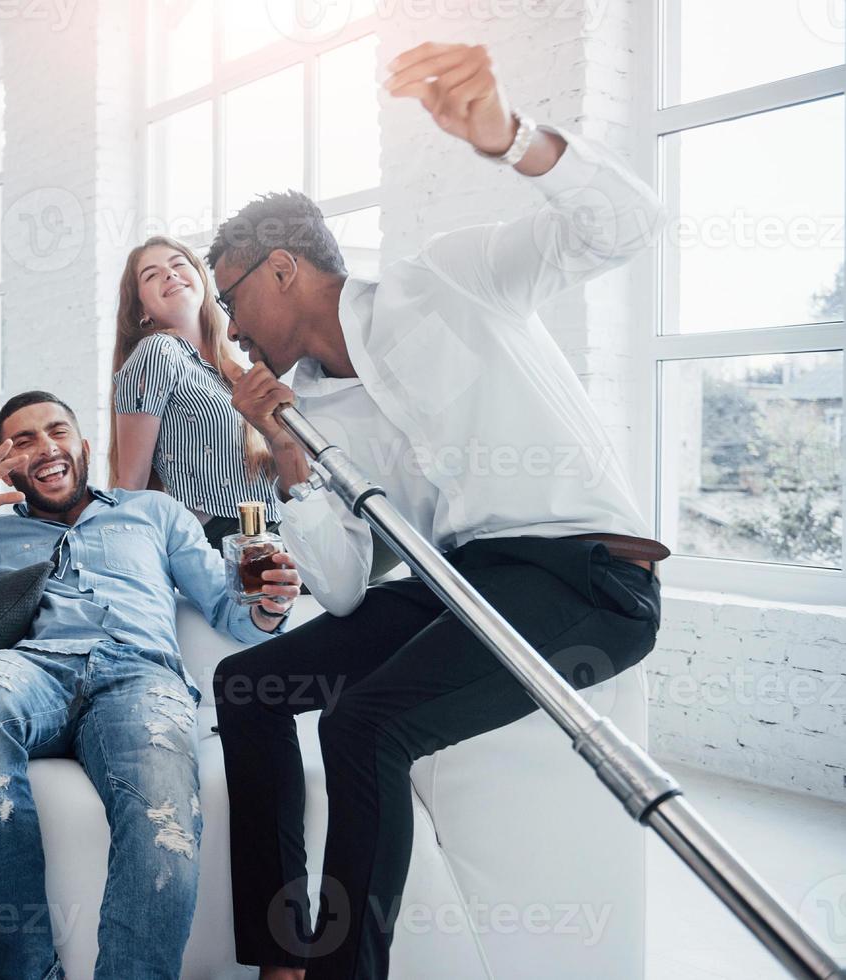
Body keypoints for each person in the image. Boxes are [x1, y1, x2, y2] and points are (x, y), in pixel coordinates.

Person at [209, 42, 669, 979]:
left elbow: (625, 225)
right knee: (244, 687)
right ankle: (280, 955)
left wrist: (507, 139)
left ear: (284, 269)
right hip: (459, 582)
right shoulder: (312, 407)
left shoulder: (442, 279)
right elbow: (338, 591)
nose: (227, 325)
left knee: (365, 726)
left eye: (230, 295)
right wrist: (288, 447)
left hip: (585, 574)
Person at [0, 391, 302, 979]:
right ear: (5, 462)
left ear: (84, 448)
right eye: (24, 441)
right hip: (34, 670)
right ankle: (25, 972)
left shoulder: (154, 513)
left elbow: (233, 612)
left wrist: (268, 605)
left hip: (140, 676)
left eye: (57, 432)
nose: (45, 448)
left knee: (163, 812)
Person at [109, 236, 282, 550]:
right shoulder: (157, 351)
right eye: (151, 274)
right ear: (141, 309)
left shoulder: (229, 371)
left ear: (201, 278)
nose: (170, 274)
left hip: (273, 529)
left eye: (177, 265)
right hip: (222, 537)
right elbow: (131, 488)